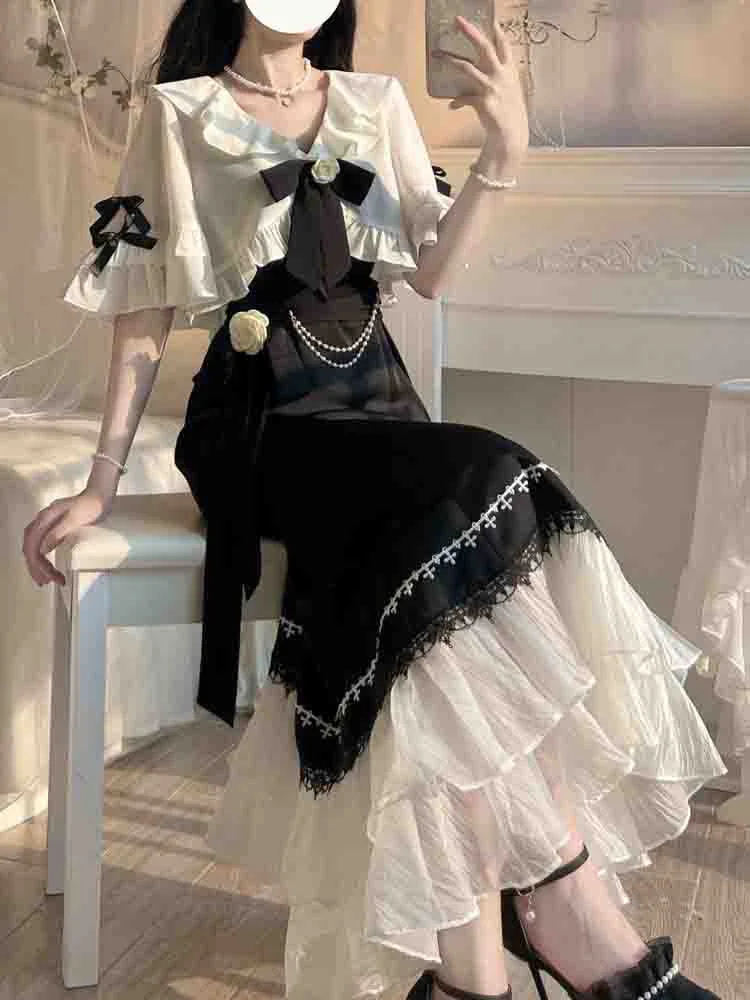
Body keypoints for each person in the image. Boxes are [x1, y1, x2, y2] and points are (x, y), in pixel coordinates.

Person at [25, 1, 727, 998]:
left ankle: (471, 973)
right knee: (479, 479)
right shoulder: (181, 113)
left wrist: (505, 152)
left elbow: (429, 273)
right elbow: (142, 305)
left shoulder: (374, 103)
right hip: (258, 426)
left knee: (451, 553)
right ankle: (569, 922)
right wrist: (101, 482)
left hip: (376, 403)